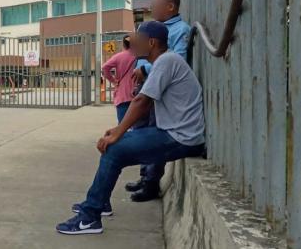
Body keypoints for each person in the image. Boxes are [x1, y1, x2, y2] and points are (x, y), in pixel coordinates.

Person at [56, 21, 205, 235]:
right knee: (115, 146)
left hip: (181, 137)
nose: (132, 46)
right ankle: (100, 202)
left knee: (114, 149)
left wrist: (119, 131)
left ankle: (90, 218)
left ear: (151, 43)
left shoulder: (166, 61)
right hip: (174, 132)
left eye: (137, 41)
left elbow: (142, 102)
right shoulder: (164, 61)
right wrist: (120, 131)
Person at [126, 0, 192, 202]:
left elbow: (179, 57)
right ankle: (145, 176)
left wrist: (144, 70)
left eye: (155, 6)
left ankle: (152, 183)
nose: (152, 10)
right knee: (142, 130)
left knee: (153, 135)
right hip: (145, 86)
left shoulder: (180, 30)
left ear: (171, 7)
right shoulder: (154, 28)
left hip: (158, 90)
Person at [101, 35, 138, 124]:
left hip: (123, 95)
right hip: (139, 94)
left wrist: (113, 81)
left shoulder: (119, 56)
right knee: (138, 125)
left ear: (124, 45)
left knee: (122, 125)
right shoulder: (141, 56)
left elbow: (105, 67)